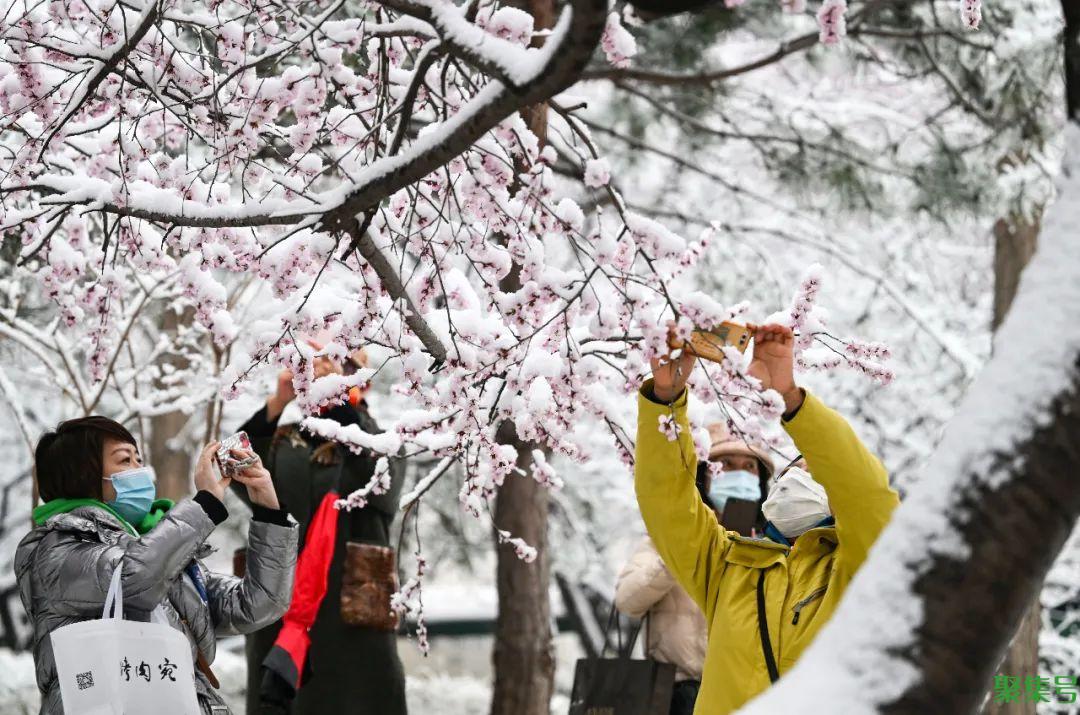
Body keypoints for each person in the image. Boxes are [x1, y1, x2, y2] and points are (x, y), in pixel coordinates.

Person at [635, 323, 900, 715]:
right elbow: (666, 501)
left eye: (814, 474)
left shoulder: (856, 570)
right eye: (792, 471)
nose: (798, 481)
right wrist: (665, 400)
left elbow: (868, 496)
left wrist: (792, 400)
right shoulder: (729, 567)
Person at [15, 416, 297, 715]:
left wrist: (268, 511)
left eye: (139, 459)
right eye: (125, 460)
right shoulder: (58, 549)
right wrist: (205, 505)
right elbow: (135, 579)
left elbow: (260, 603)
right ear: (82, 475)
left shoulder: (159, 552)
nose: (140, 470)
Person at [235, 341, 406, 715]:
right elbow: (232, 469)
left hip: (351, 609)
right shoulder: (283, 442)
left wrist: (342, 406)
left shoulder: (379, 438)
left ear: (360, 380)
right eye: (315, 368)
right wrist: (276, 403)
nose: (324, 374)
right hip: (281, 603)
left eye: (339, 367)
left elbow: (382, 483)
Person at [617, 426, 774, 715]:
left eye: (749, 466)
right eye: (726, 464)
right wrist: (682, 549)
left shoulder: (772, 547)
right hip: (677, 694)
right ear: (705, 475)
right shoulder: (668, 538)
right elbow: (627, 601)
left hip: (746, 694)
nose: (739, 475)